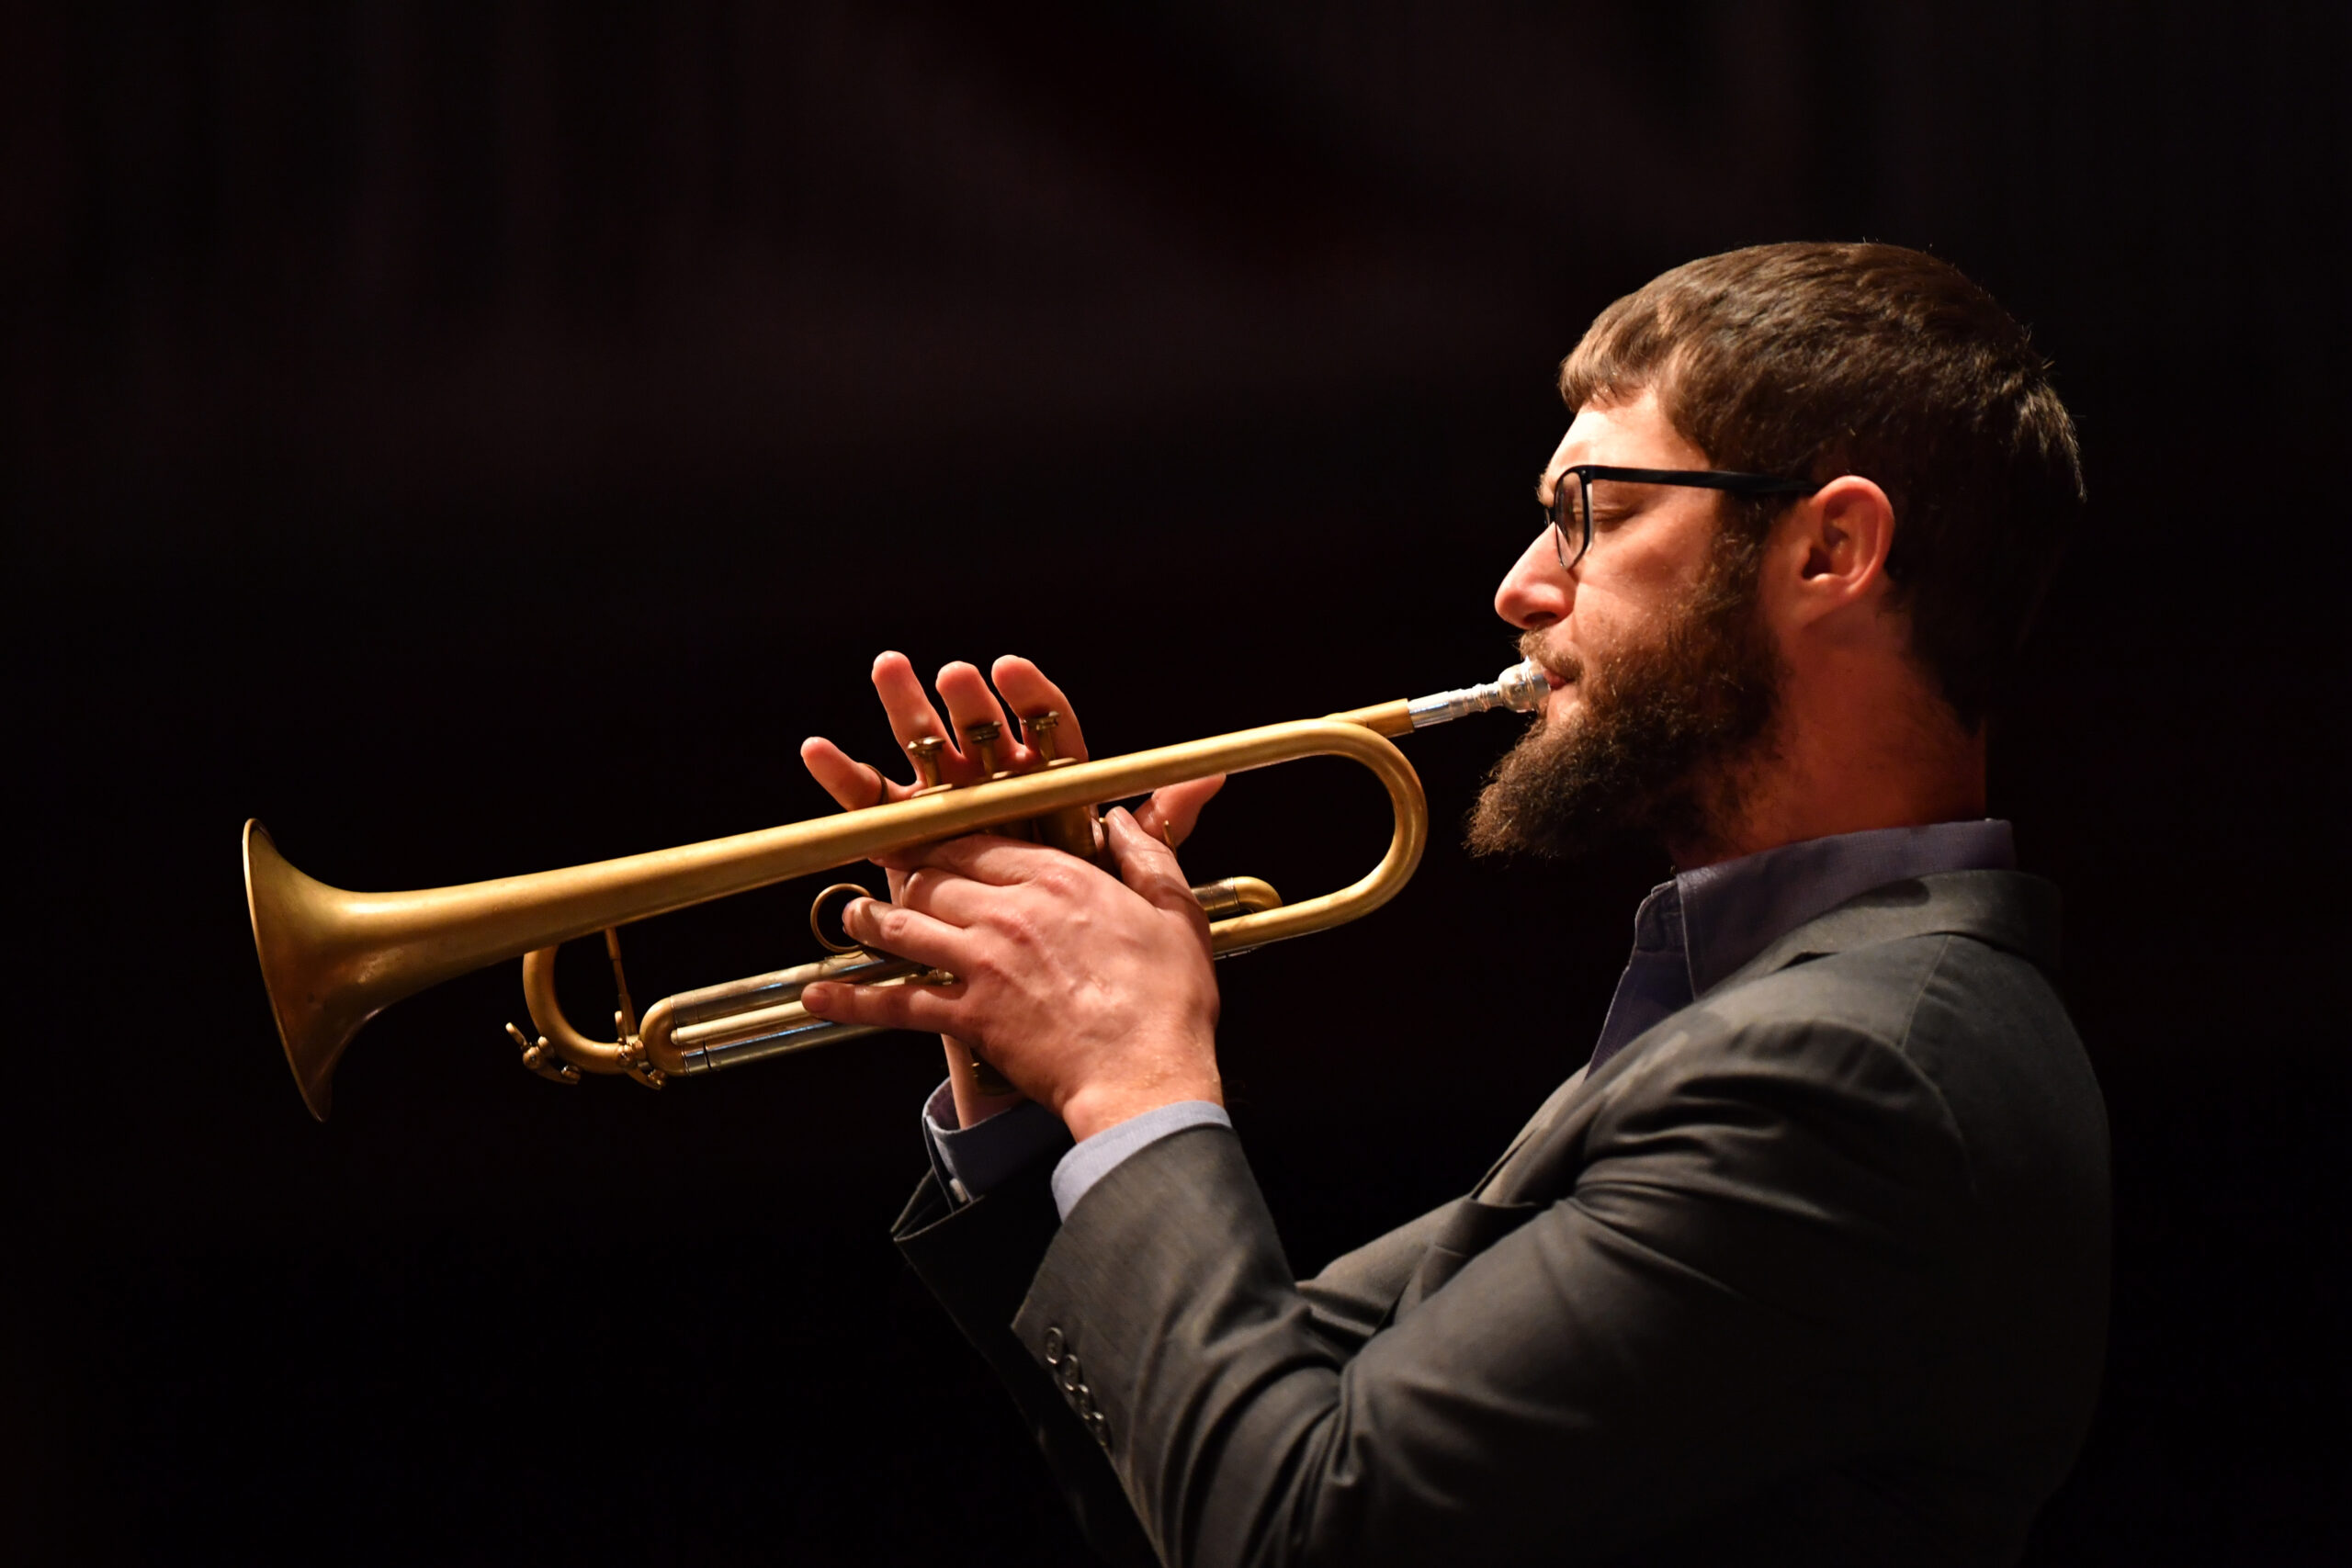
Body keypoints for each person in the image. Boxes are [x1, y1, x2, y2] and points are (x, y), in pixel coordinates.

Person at [797, 242, 2108, 1566]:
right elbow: (1196, 1459)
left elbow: (1300, 1531)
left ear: (1829, 548)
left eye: (1593, 510)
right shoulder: (1805, 1026)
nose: (1524, 585)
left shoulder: (1853, 1070)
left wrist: (1131, 1065)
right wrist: (1031, 1051)